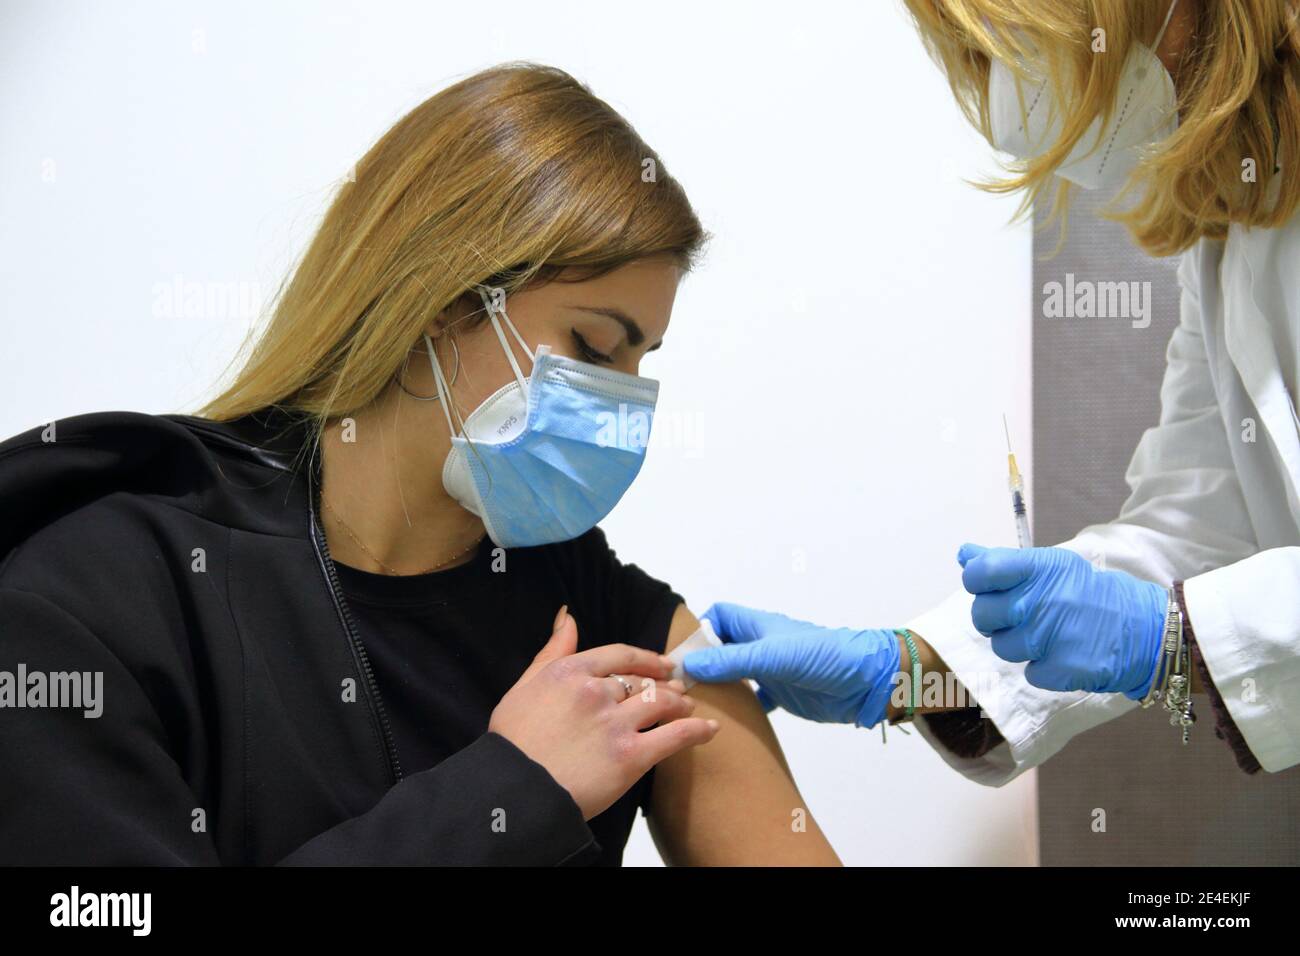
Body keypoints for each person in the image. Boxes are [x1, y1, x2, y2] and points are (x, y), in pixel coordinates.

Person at [0, 63, 839, 866]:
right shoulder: (99, 595)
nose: (625, 407)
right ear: (441, 303)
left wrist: (925, 684)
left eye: (642, 361)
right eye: (593, 346)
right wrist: (510, 792)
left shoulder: (600, 614)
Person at [686, 0, 1300, 783]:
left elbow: (1177, 610)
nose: (1010, 101)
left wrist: (1168, 640)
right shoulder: (1230, 235)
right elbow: (1200, 529)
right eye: (989, 54)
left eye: (1023, 39)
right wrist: (910, 673)